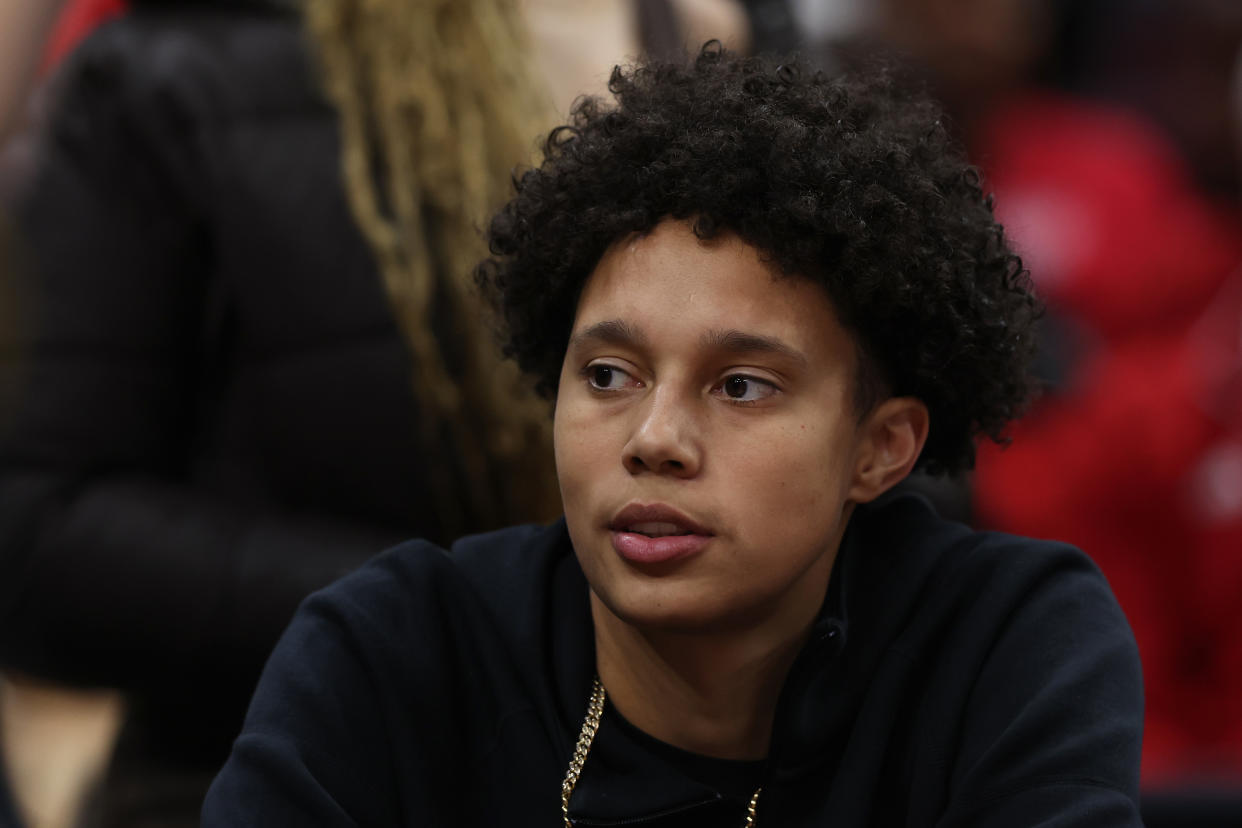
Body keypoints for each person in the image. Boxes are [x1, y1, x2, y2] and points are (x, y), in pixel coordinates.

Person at [202, 45, 1144, 826]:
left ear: (881, 448)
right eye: (608, 375)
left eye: (741, 386)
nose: (655, 439)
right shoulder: (397, 651)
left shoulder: (1003, 646)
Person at [0, 0, 558, 823]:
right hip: (276, 776)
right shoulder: (179, 75)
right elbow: (36, 532)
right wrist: (430, 605)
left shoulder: (698, 33)